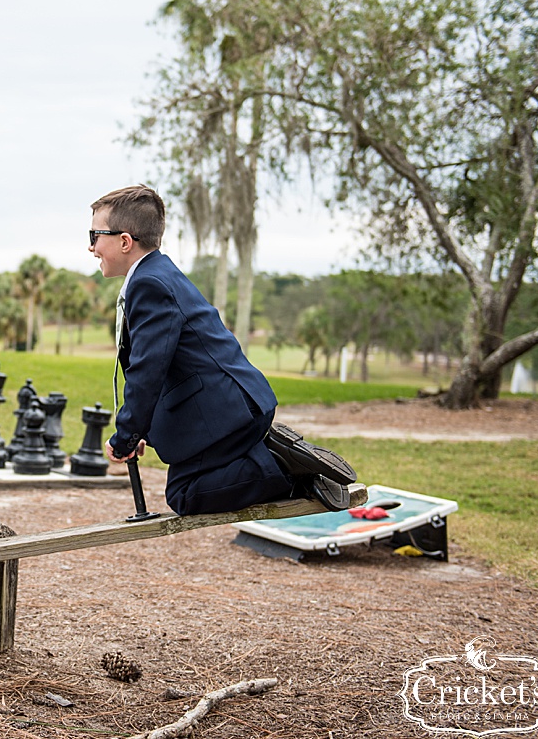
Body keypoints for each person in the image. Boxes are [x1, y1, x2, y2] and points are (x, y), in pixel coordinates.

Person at [89, 184, 356, 517]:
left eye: (95, 235)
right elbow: (172, 364)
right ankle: (275, 454)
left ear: (125, 240)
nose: (90, 247)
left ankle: (282, 466)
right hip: (236, 406)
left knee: (184, 493)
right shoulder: (159, 273)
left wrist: (125, 437)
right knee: (188, 484)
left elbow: (148, 371)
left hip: (226, 415)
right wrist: (139, 431)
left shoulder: (149, 283)